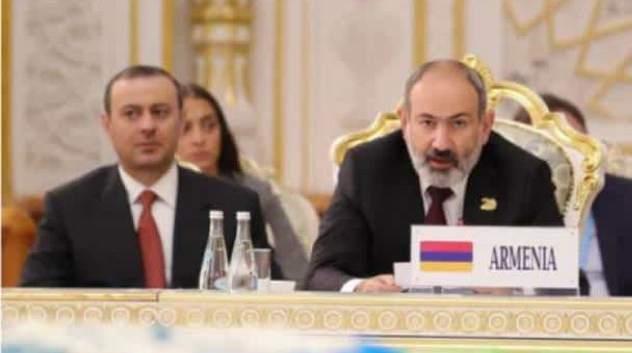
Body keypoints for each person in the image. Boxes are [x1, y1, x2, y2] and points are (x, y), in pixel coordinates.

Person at [304, 59, 563, 293]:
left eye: (458, 123)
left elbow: (566, 283)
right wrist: (361, 288)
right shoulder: (366, 170)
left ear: (484, 126)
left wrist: (512, 292)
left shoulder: (524, 176)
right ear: (405, 123)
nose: (441, 143)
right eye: (427, 123)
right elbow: (320, 274)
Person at [20, 66, 276, 288]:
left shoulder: (234, 206)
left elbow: (268, 301)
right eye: (131, 114)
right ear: (108, 125)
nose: (147, 126)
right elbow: (36, 304)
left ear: (180, 122)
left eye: (160, 112)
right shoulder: (69, 208)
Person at [515, 93, 632, 297]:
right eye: (555, 145)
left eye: (578, 143)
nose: (569, 155)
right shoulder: (502, 199)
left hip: (619, 315)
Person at [176, 83, 308, 283]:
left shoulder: (253, 192)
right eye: (185, 129)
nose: (199, 139)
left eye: (209, 126)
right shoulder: (164, 197)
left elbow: (296, 269)